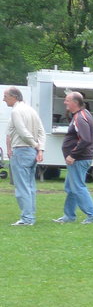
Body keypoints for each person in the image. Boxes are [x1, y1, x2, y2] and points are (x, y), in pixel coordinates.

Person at [54, 91, 93, 224]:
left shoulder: (80, 118)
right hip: (80, 158)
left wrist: (72, 155)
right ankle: (69, 216)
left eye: (67, 100)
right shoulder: (83, 114)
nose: (65, 103)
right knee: (70, 187)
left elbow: (85, 139)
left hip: (79, 159)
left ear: (75, 103)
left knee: (78, 187)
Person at [4, 87, 44, 225]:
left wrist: (36, 145)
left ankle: (27, 218)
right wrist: (40, 149)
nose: (3, 99)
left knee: (22, 187)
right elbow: (41, 131)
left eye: (5, 96)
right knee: (30, 186)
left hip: (21, 151)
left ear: (14, 97)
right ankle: (30, 216)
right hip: (31, 153)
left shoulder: (16, 111)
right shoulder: (32, 110)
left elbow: (22, 131)